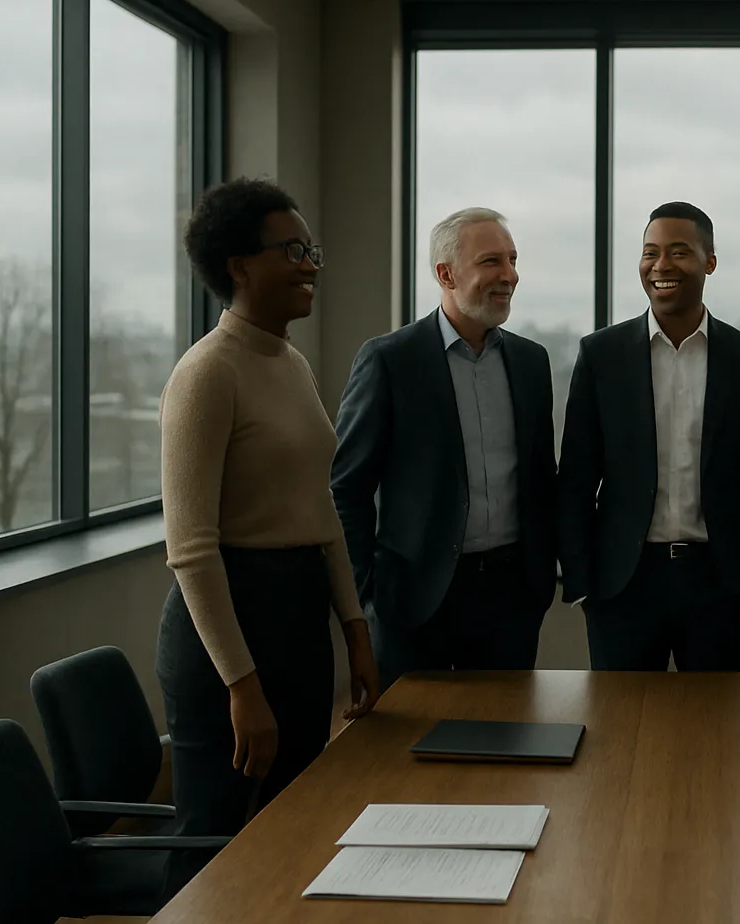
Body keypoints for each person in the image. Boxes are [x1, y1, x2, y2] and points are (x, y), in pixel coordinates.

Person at [156, 177, 379, 895]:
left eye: (310, 249)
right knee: (215, 840)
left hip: (296, 616)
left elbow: (321, 507)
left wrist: (353, 627)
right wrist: (241, 688)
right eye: (292, 249)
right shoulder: (206, 375)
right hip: (229, 627)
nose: (311, 264)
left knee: (295, 822)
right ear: (238, 265)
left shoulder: (292, 363)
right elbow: (191, 550)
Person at [331, 208, 558, 684]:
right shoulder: (389, 361)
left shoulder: (531, 362)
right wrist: (366, 595)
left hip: (512, 598)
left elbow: (542, 477)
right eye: (492, 261)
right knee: (410, 749)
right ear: (445, 273)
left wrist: (541, 579)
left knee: (506, 740)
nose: (510, 276)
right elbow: (346, 490)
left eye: (513, 260)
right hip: (413, 600)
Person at [558, 201, 740, 671]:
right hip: (622, 584)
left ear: (710, 262)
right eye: (650, 252)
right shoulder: (601, 356)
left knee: (718, 730)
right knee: (621, 732)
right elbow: (575, 477)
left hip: (719, 582)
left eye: (679, 252)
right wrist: (580, 580)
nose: (661, 265)